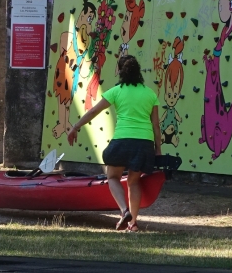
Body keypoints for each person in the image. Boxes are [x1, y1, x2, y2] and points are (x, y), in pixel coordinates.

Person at [67, 55, 162, 232]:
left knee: (112, 177)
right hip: (144, 143)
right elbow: (156, 125)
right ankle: (133, 223)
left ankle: (124, 211)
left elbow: (94, 110)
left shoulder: (116, 91)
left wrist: (75, 127)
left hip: (122, 140)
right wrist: (158, 150)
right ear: (138, 71)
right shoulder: (150, 93)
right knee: (134, 182)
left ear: (120, 71)